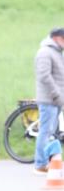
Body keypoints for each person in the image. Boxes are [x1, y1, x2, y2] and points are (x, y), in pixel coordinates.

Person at [34, 27, 64, 175]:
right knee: (45, 132)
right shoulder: (45, 52)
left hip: (56, 100)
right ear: (58, 38)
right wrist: (57, 94)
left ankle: (49, 161)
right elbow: (44, 76)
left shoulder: (57, 53)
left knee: (50, 132)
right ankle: (40, 164)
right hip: (49, 99)